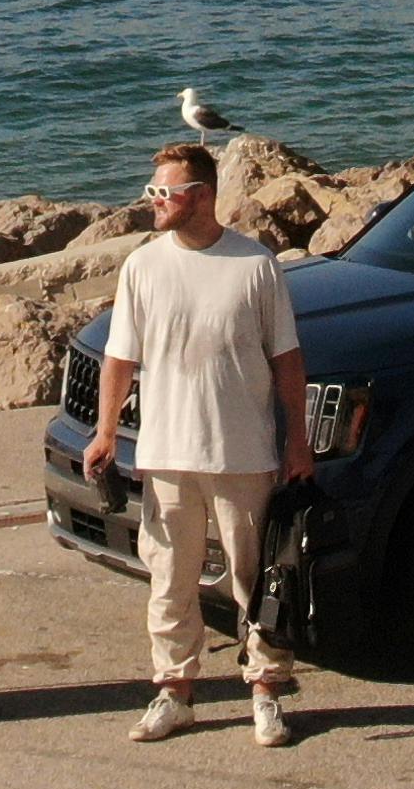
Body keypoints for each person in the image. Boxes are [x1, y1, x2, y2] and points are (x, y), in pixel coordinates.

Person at [83, 142, 312, 747]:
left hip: (243, 453)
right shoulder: (142, 267)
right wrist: (105, 433)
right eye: (152, 191)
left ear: (203, 195)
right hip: (165, 454)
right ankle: (174, 693)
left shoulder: (255, 265)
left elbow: (288, 360)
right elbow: (119, 358)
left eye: (165, 192)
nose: (153, 202)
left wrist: (298, 442)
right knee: (170, 581)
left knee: (256, 580)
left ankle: (266, 691)